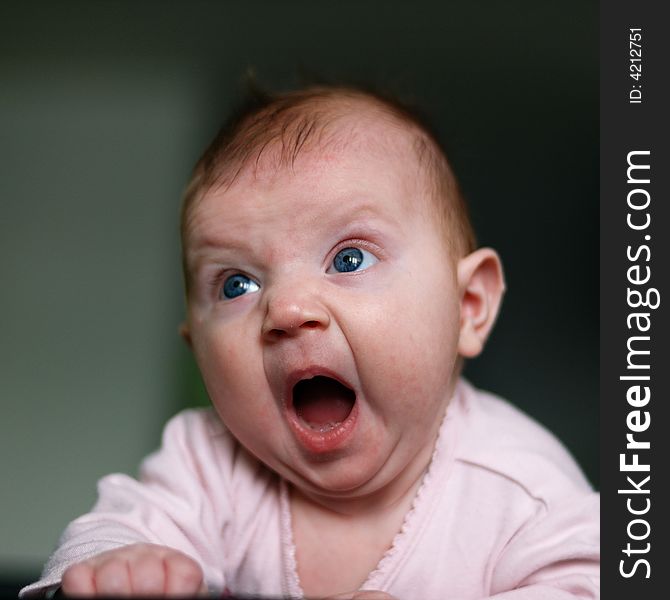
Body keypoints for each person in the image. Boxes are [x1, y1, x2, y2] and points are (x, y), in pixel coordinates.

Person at [21, 85, 599, 599]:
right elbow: (114, 529)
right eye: (237, 284)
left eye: (348, 259)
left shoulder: (520, 489)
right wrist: (116, 566)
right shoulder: (207, 462)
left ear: (468, 308)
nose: (288, 310)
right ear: (197, 349)